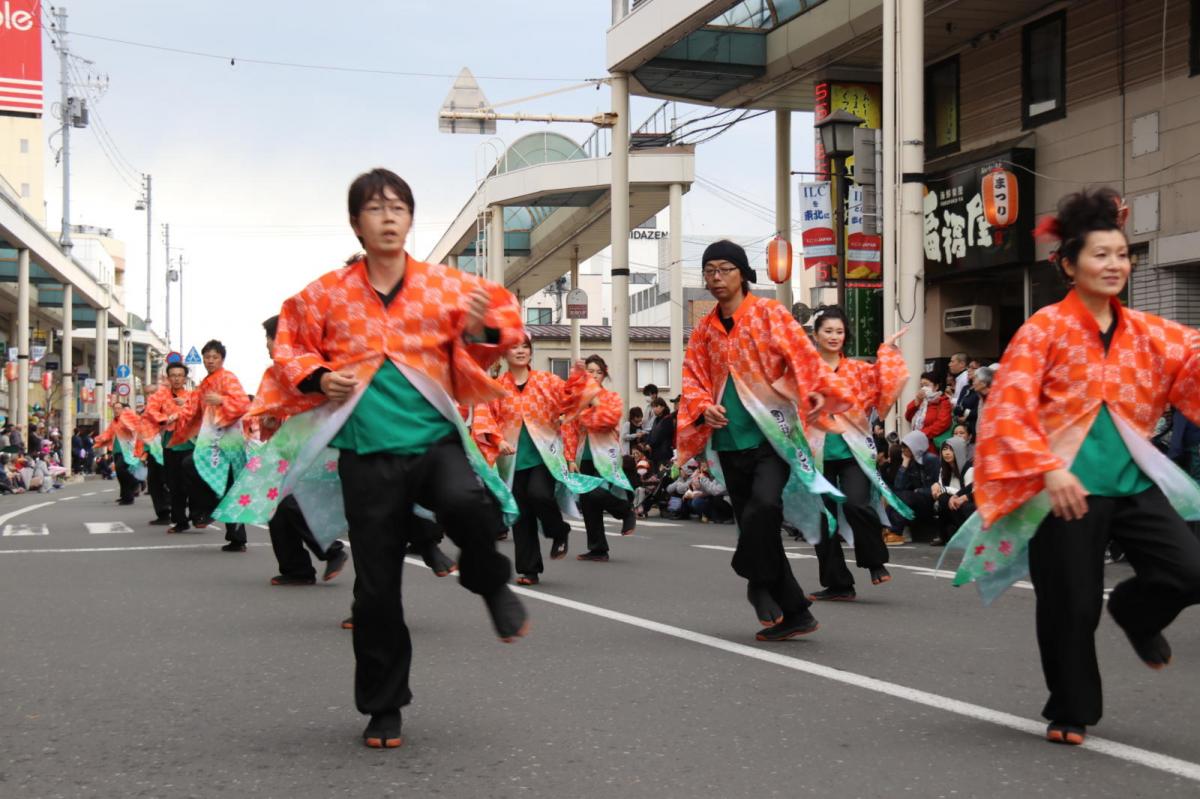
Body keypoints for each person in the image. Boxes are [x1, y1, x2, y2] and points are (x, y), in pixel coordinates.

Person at [256, 168, 529, 749]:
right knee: (376, 589)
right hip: (367, 456)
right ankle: (384, 706)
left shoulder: (442, 286)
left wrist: (483, 325)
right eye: (375, 208)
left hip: (433, 442)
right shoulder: (326, 293)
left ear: (410, 219)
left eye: (398, 207)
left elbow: (500, 328)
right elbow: (289, 341)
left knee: (467, 504)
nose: (387, 217)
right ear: (356, 223)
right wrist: (319, 374)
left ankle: (489, 581)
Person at [948, 188, 1200, 747]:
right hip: (1063, 490)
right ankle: (1071, 705)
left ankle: (1136, 611)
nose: (1115, 265)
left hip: (1132, 484)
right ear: (1068, 264)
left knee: (1190, 571)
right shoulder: (1043, 329)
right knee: (1073, 604)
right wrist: (1047, 468)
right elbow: (1008, 406)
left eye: (1122, 254)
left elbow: (1193, 367)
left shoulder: (1148, 332)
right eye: (1100, 255)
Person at [678, 239, 852, 641]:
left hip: (773, 436)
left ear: (743, 273)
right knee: (760, 527)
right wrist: (705, 405)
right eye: (710, 271)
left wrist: (818, 398)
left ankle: (755, 581)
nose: (717, 278)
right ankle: (795, 612)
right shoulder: (705, 329)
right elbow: (692, 376)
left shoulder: (769, 313)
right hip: (728, 440)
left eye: (725, 269)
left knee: (763, 509)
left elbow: (804, 361)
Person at [805, 306, 910, 601]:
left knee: (857, 504)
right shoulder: (806, 372)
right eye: (828, 331)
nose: (834, 336)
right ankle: (838, 584)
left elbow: (884, 381)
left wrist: (887, 351)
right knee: (822, 519)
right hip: (816, 453)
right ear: (816, 335)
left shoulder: (858, 370)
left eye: (839, 331)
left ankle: (874, 561)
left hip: (852, 450)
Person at [475, 336, 597, 585]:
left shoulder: (547, 380)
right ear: (504, 354)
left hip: (545, 455)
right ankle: (529, 569)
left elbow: (571, 400)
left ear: (531, 353)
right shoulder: (497, 386)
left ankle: (558, 530)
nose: (520, 351)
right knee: (522, 513)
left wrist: (581, 378)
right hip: (512, 460)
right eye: (514, 347)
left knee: (539, 494)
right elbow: (484, 417)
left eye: (524, 347)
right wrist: (499, 441)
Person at [169, 340, 250, 551]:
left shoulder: (228, 378)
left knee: (229, 486)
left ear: (222, 359)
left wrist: (222, 400)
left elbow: (242, 404)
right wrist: (175, 418)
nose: (210, 360)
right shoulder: (204, 384)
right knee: (191, 466)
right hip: (210, 441)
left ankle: (234, 535)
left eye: (214, 357)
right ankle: (206, 512)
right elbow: (193, 409)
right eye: (207, 357)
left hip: (229, 442)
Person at [567, 355, 636, 562]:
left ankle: (625, 510)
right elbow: (569, 429)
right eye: (590, 371)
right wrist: (570, 458)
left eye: (598, 372)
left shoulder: (611, 397)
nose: (594, 375)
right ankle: (598, 548)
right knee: (588, 500)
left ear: (604, 374)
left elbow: (606, 420)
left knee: (597, 493)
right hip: (584, 454)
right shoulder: (577, 400)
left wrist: (593, 398)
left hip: (606, 454)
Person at [144, 362, 197, 533]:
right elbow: (150, 411)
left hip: (190, 444)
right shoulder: (159, 396)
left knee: (193, 481)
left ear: (185, 378)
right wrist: (164, 419)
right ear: (168, 377)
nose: (176, 378)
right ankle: (180, 520)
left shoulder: (191, 396)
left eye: (180, 375)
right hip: (170, 445)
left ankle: (198, 513)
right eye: (173, 375)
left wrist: (185, 407)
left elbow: (201, 414)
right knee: (174, 484)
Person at [884, 431, 939, 541]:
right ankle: (887, 528)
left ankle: (896, 531)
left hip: (931, 500)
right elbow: (899, 486)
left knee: (906, 496)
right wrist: (905, 463)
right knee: (896, 494)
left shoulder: (931, 459)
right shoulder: (911, 461)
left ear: (916, 445)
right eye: (902, 446)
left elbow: (937, 486)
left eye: (906, 446)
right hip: (918, 500)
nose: (903, 449)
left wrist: (918, 491)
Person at [930, 437, 974, 546]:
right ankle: (942, 535)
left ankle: (962, 534)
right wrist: (936, 487)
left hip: (965, 503)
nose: (947, 453)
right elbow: (941, 488)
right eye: (944, 449)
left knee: (946, 497)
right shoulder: (944, 469)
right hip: (951, 505)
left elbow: (968, 491)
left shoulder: (969, 469)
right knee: (943, 498)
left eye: (951, 449)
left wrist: (946, 490)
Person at [904, 372, 952, 452]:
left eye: (926, 385)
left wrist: (921, 434)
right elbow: (908, 416)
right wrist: (917, 401)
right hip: (917, 445)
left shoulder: (943, 402)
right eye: (921, 386)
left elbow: (942, 423)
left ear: (936, 386)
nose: (923, 388)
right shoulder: (922, 401)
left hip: (932, 446)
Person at [646, 397, 675, 472]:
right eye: (653, 407)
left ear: (662, 407)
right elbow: (651, 432)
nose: (654, 409)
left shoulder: (668, 419)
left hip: (664, 454)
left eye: (656, 406)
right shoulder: (656, 419)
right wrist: (647, 443)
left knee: (662, 475)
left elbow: (661, 436)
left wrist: (650, 445)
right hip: (655, 453)